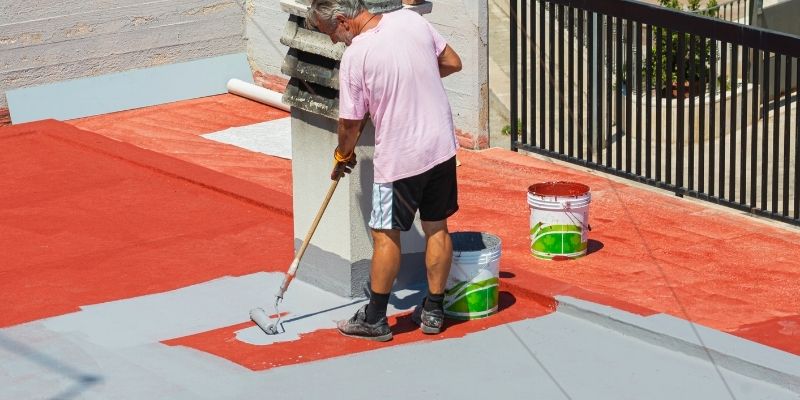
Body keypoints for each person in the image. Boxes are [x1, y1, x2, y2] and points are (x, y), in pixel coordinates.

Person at [307, 0, 463, 341]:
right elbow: (452, 61)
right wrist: (412, 77)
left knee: (384, 235)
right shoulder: (410, 20)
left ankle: (375, 318)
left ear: (344, 21)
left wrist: (342, 154)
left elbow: (350, 123)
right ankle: (434, 311)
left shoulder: (355, 57)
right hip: (441, 146)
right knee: (437, 227)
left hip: (400, 158)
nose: (333, 41)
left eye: (330, 32)